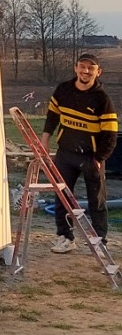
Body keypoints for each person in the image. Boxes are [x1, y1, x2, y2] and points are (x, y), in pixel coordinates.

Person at [44, 53, 118, 253]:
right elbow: (52, 115)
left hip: (91, 157)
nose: (85, 71)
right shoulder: (63, 90)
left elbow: (111, 133)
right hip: (65, 154)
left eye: (90, 68)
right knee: (62, 196)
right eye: (82, 67)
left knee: (97, 200)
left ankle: (99, 241)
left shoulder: (102, 99)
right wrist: (45, 138)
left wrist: (100, 158)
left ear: (98, 72)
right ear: (76, 68)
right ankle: (65, 237)